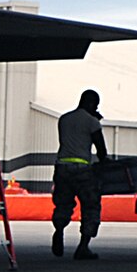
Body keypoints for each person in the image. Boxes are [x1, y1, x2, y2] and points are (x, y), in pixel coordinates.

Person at [52, 90, 109, 260]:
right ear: (92, 104)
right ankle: (83, 247)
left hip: (62, 168)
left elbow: (72, 137)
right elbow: (101, 150)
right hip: (82, 170)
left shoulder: (64, 119)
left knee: (63, 204)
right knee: (91, 206)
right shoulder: (92, 122)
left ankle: (59, 230)